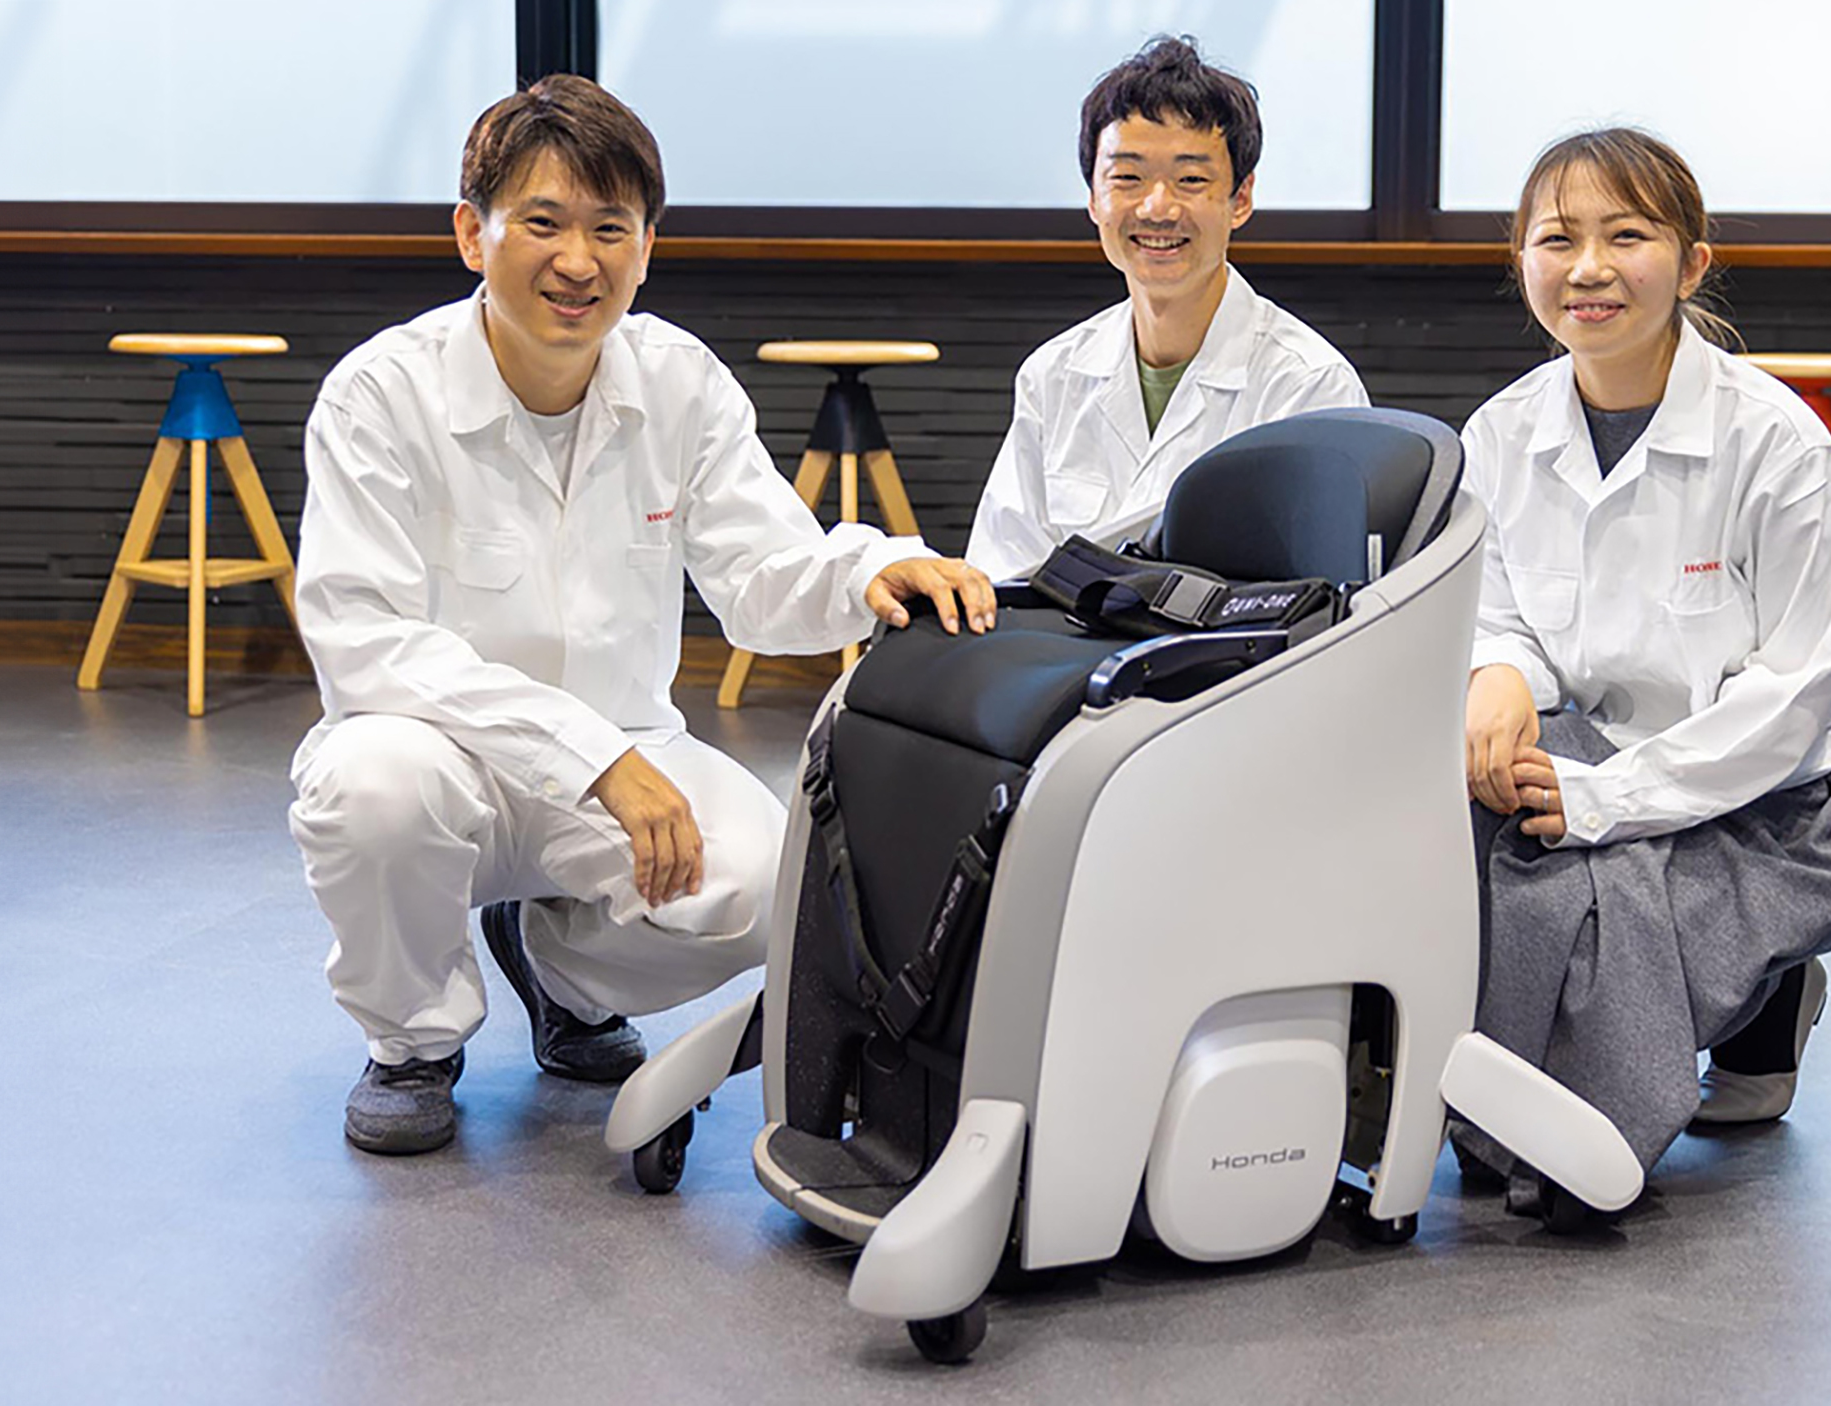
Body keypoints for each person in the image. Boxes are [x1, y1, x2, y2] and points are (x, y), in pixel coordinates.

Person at [287, 76, 995, 1156]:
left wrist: (875, 570)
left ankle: (563, 975)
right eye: (543, 222)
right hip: (447, 752)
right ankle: (413, 1041)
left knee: (770, 887)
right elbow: (364, 642)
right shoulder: (381, 394)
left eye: (609, 228)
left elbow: (764, 567)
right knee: (373, 789)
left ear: (647, 245)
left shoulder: (678, 381)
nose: (579, 260)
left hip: (629, 753)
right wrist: (589, 757)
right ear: (470, 234)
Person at [1456, 128, 1831, 1221]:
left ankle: (1634, 1086)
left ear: (1692, 262)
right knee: (1470, 837)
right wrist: (1501, 676)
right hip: (1593, 751)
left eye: (1628, 235)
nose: (1589, 267)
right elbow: (1498, 611)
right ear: (1520, 260)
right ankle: (1509, 1105)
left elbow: (1792, 697)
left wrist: (1606, 801)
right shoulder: (1501, 431)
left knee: (1584, 889)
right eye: (1556, 238)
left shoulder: (1779, 447)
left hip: (1787, 797)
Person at [963, 35, 1368, 580]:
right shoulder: (1052, 375)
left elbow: (1326, 606)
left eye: (1191, 180)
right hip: (1065, 662)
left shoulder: (1310, 386)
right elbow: (1002, 570)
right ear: (1093, 198)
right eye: (1127, 178)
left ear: (1240, 199)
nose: (1157, 207)